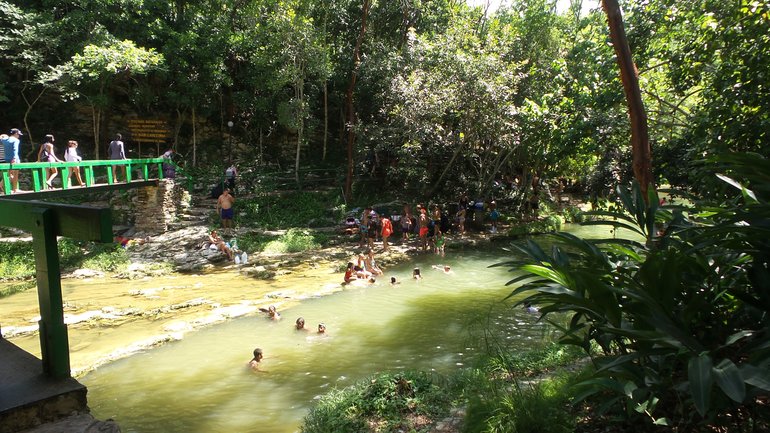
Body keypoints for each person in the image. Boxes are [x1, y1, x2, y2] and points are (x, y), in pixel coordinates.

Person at [2, 129, 23, 193]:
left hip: (7, 158)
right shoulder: (16, 140)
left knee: (9, 174)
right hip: (14, 159)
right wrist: (14, 158)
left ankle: (12, 188)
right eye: (19, 134)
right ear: (16, 133)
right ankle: (15, 189)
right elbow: (15, 149)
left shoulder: (4, 140)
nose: (19, 136)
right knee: (15, 174)